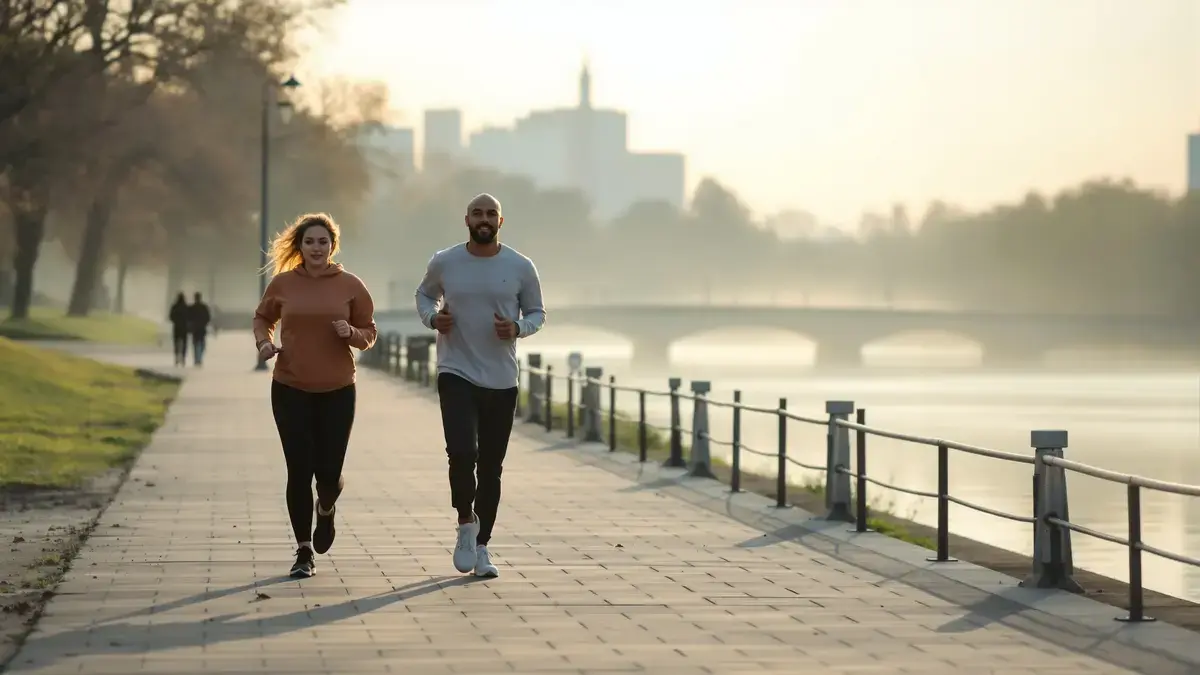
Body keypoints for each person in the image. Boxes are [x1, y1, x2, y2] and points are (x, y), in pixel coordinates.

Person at [415, 193, 546, 578]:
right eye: (477, 213)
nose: (484, 219)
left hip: (501, 379)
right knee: (461, 453)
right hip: (455, 371)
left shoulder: (520, 266)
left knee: (491, 467)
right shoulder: (445, 261)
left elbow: (538, 312)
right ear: (467, 220)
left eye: (491, 214)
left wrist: (518, 327)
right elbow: (424, 294)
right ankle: (464, 523)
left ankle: (483, 546)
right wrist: (432, 318)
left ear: (501, 222)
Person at [252, 212, 378, 579]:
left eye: (323, 242)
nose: (316, 248)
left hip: (338, 389)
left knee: (329, 473)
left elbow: (369, 331)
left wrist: (351, 333)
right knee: (299, 469)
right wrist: (263, 343)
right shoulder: (284, 283)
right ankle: (304, 551)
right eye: (310, 242)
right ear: (300, 246)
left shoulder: (351, 285)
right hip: (290, 387)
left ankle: (326, 509)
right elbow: (262, 317)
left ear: (332, 245)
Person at [188, 292, 212, 367]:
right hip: (202, 327)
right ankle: (199, 358)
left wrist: (190, 325)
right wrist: (204, 323)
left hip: (195, 328)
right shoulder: (204, 307)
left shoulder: (192, 308)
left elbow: (189, 318)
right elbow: (208, 317)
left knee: (195, 344)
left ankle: (196, 358)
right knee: (202, 344)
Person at [168, 293, 189, 367]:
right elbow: (189, 317)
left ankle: (176, 357)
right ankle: (183, 357)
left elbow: (170, 316)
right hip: (184, 327)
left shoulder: (174, 307)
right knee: (184, 343)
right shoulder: (186, 307)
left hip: (177, 327)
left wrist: (175, 321)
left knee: (176, 343)